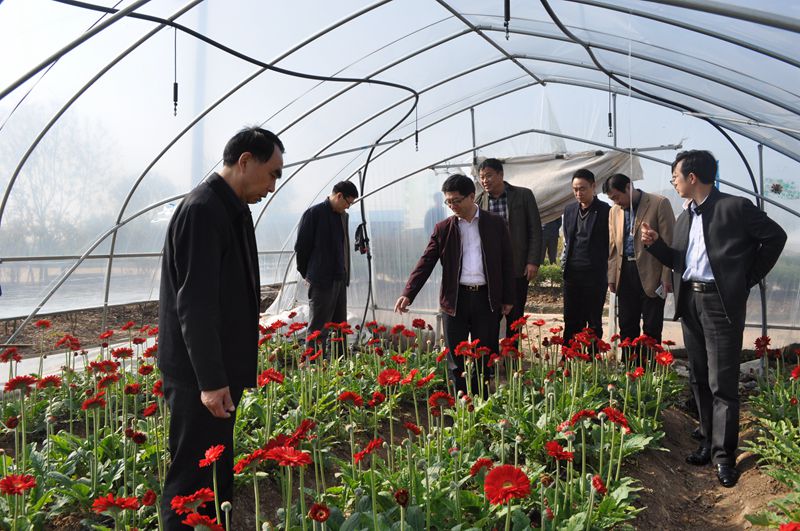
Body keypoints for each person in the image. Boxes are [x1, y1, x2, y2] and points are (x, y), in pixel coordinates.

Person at [158, 127, 285, 529]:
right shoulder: (203, 211)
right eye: (272, 173)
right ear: (245, 161)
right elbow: (195, 304)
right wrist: (211, 381)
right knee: (193, 476)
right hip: (198, 376)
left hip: (215, 372)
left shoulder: (232, 209)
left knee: (214, 469)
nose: (273, 185)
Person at [642, 150, 786, 488]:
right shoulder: (684, 217)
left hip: (720, 303)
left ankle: (724, 456)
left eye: (675, 177)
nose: (674, 183)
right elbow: (681, 261)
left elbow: (776, 237)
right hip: (690, 301)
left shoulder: (734, 208)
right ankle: (707, 441)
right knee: (699, 377)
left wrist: (746, 278)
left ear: (692, 177)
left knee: (722, 382)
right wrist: (656, 246)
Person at [394, 174, 514, 397]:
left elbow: (507, 261)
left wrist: (508, 298)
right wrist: (408, 293)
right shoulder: (443, 228)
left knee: (483, 354)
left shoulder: (495, 223)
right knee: (456, 357)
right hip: (455, 299)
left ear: (471, 196)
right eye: (448, 202)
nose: (452, 206)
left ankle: (481, 402)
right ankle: (462, 401)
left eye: (457, 201)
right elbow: (426, 262)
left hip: (486, 299)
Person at [604, 173, 675, 350]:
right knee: (627, 324)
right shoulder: (614, 211)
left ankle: (650, 365)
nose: (615, 202)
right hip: (624, 272)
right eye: (611, 199)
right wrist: (611, 276)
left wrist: (666, 276)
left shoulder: (659, 203)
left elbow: (670, 242)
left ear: (629, 187)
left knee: (652, 326)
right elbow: (613, 247)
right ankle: (630, 364)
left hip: (652, 272)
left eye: (617, 197)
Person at [476, 158, 542, 345]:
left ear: (501, 174)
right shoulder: (479, 200)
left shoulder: (523, 195)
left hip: (517, 267)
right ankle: (491, 355)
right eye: (482, 177)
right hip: (490, 271)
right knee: (490, 317)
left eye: (489, 176)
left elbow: (535, 229)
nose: (485, 181)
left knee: (515, 315)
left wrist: (533, 261)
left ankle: (512, 355)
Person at [294, 181, 358, 353]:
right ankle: (314, 364)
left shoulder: (342, 216)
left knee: (340, 326)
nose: (348, 207)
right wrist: (308, 274)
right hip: (321, 280)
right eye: (348, 203)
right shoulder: (314, 214)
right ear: (339, 196)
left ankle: (340, 363)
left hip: (339, 277)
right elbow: (301, 248)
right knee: (318, 328)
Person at [561, 169, 610, 342]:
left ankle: (591, 355)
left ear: (593, 186)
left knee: (593, 321)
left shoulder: (605, 211)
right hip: (572, 274)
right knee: (571, 319)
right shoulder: (569, 210)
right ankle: (569, 354)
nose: (578, 193)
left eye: (582, 188)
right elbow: (568, 239)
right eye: (575, 189)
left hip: (594, 275)